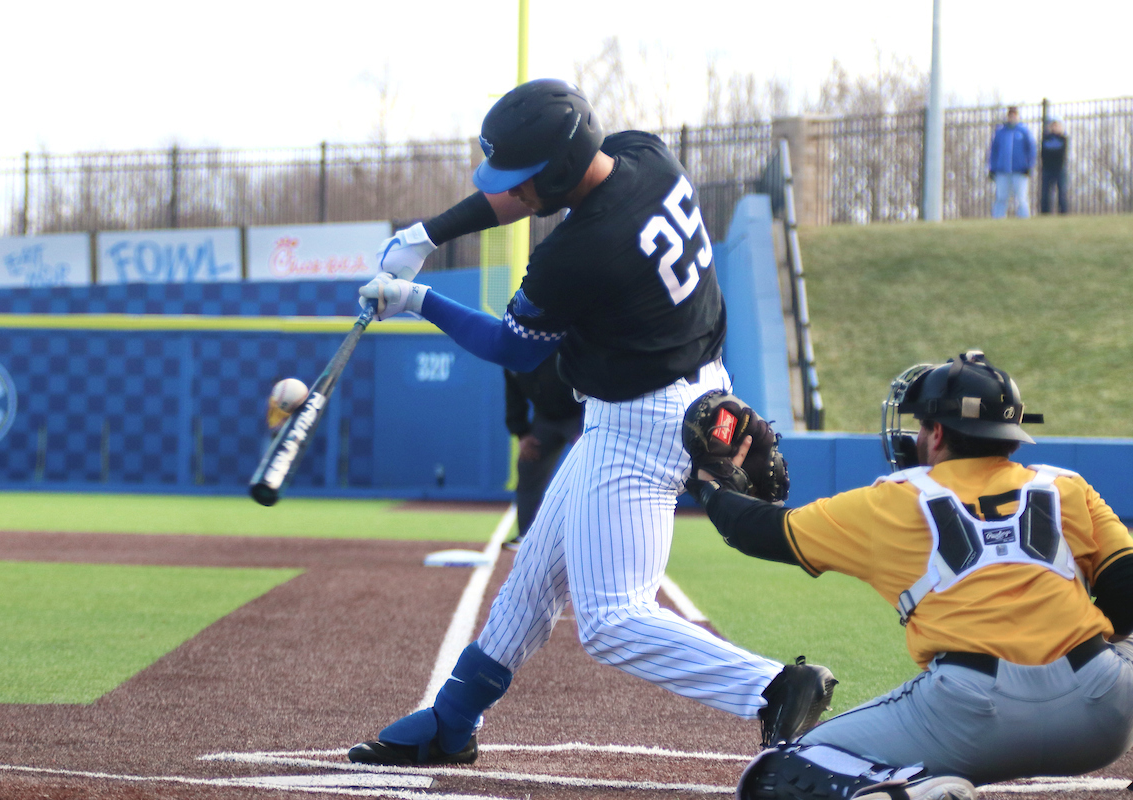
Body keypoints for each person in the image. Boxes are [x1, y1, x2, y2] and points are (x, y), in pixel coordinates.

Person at [349, 78, 837, 766]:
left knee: (612, 621)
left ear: (557, 172)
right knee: (533, 580)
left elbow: (513, 348)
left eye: (524, 180)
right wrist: (429, 233)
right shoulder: (645, 154)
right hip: (690, 393)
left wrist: (418, 299)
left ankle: (772, 688)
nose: (514, 194)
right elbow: (525, 194)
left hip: (641, 422)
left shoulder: (579, 251)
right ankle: (451, 723)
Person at [684, 351, 1133, 800]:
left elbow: (759, 531)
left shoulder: (899, 499)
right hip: (1101, 716)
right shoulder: (1066, 487)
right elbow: (1128, 592)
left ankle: (914, 794)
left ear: (937, 433)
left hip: (972, 715)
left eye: (922, 425)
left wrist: (712, 484)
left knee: (777, 775)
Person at [503, 358, 583, 550]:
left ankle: (594, 534)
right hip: (545, 419)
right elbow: (514, 397)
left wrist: (589, 422)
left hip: (579, 415)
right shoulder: (513, 358)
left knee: (593, 466)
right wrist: (522, 433)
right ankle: (527, 535)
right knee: (528, 464)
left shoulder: (558, 346)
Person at [988, 107, 1037, 218]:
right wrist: (992, 168)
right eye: (1010, 115)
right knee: (1001, 197)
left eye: (1014, 115)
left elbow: (1031, 150)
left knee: (1021, 197)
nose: (1012, 118)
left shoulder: (1024, 132)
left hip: (1020, 171)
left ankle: (1024, 219)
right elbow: (994, 151)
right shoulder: (1000, 133)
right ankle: (998, 219)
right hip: (1002, 171)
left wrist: (1029, 166)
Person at [1040, 118, 1069, 214]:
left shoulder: (1063, 139)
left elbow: (1061, 153)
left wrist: (1052, 152)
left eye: (1057, 126)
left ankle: (1063, 213)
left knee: (1062, 193)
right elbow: (1043, 153)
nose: (1055, 128)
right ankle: (1044, 213)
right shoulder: (1046, 138)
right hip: (1047, 168)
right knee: (1045, 193)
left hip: (1059, 168)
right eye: (1053, 126)